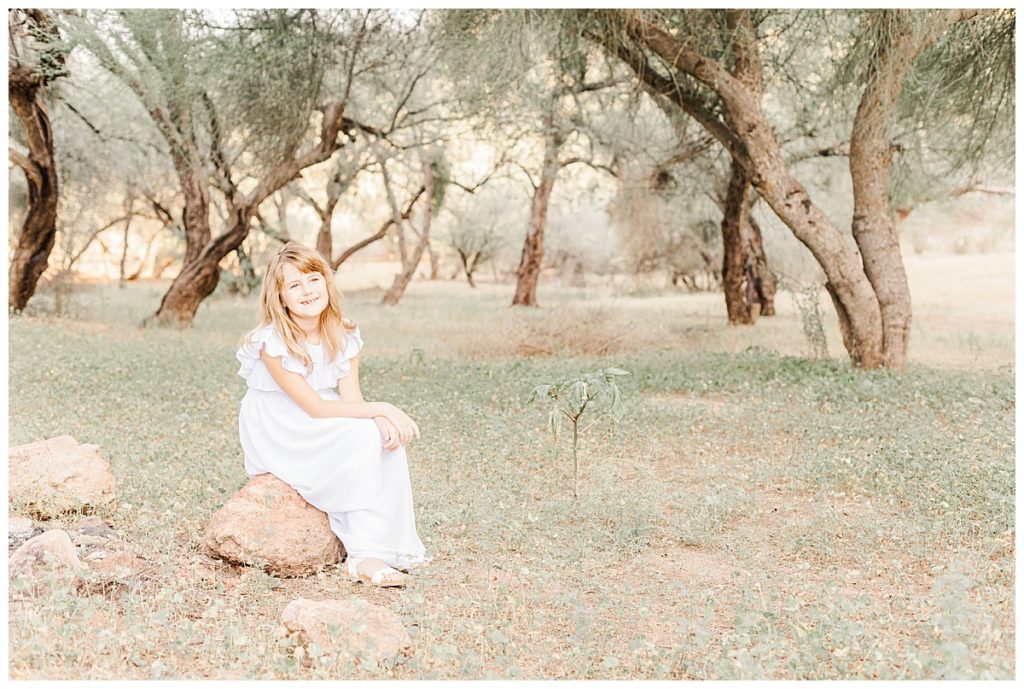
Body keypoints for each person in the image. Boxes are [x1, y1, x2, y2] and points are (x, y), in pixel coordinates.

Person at [235, 242, 428, 588]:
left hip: (318, 411)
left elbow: (350, 397)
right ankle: (362, 555)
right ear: (280, 298)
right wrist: (383, 408)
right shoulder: (272, 342)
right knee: (364, 434)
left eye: (313, 279)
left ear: (326, 282)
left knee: (386, 440)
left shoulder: (344, 332)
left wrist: (378, 420)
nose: (307, 291)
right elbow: (315, 407)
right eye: (294, 286)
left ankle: (392, 547)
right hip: (279, 423)